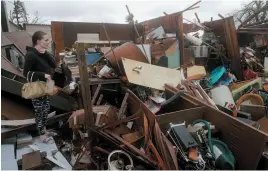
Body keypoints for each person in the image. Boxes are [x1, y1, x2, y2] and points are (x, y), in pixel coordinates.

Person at [23, 31, 57, 143]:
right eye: (46, 40)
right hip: (37, 87)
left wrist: (45, 53)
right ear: (38, 41)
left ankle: (44, 130)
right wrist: (43, 75)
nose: (49, 41)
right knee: (40, 111)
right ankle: (42, 136)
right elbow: (26, 73)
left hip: (46, 85)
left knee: (46, 109)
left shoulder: (43, 53)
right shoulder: (31, 55)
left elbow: (54, 65)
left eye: (49, 39)